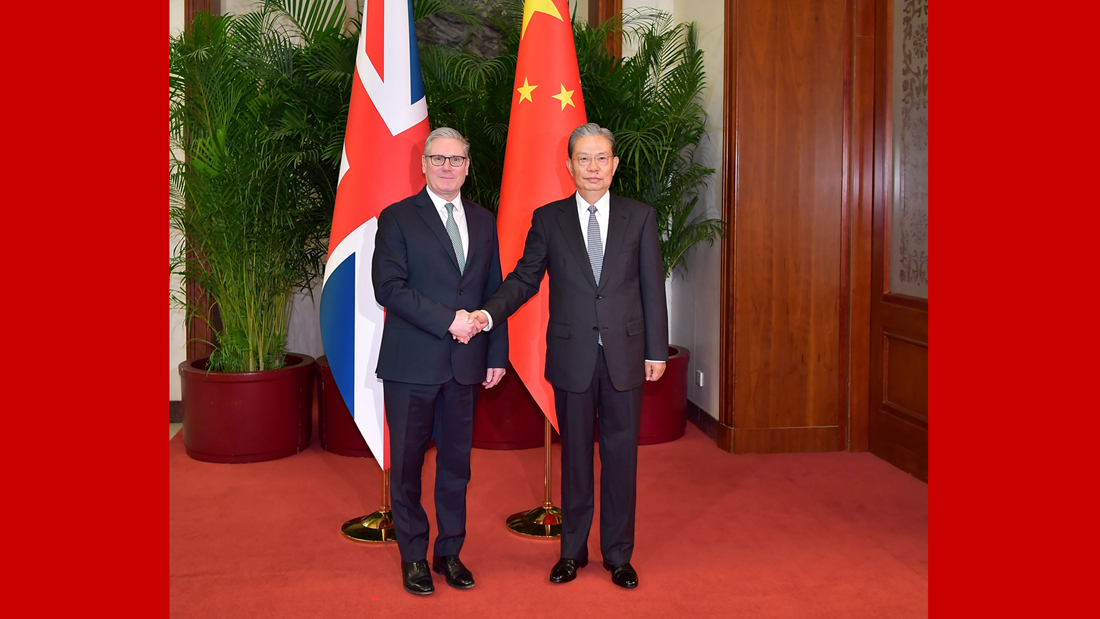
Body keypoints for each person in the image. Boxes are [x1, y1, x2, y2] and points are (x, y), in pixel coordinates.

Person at [472, 122, 668, 589]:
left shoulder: (640, 216)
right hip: (571, 356)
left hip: (625, 355)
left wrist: (656, 349)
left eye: (601, 158)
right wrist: (487, 313)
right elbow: (524, 278)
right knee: (576, 458)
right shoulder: (549, 219)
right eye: (584, 158)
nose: (593, 167)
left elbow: (651, 287)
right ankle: (572, 552)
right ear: (569, 165)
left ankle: (618, 555)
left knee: (620, 458)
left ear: (614, 165)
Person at [371, 127, 507, 595]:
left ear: (468, 168)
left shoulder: (484, 220)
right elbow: (388, 288)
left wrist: (497, 352)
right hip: (411, 364)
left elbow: (494, 289)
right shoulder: (397, 217)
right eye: (439, 159)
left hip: (467, 364)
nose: (447, 167)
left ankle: (449, 552)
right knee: (407, 466)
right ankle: (413, 556)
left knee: (456, 466)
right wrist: (449, 320)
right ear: (424, 164)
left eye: (456, 159)